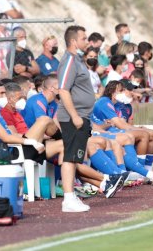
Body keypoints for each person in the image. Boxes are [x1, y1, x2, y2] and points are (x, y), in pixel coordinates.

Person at [57, 25, 95, 212]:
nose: (86, 41)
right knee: (70, 157)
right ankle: (68, 199)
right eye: (84, 38)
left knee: (73, 157)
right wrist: (74, 116)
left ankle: (71, 196)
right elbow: (63, 89)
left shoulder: (78, 60)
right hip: (74, 117)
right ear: (73, 41)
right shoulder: (69, 61)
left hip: (82, 115)